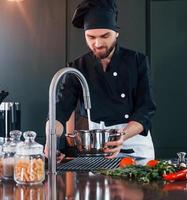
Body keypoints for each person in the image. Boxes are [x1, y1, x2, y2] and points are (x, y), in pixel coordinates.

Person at [45, 0, 156, 159]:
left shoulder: (137, 61)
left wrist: (122, 136)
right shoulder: (77, 67)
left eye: (105, 36)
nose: (97, 44)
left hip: (136, 145)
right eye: (91, 37)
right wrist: (51, 140)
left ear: (116, 32)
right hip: (97, 150)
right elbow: (60, 110)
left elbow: (146, 109)